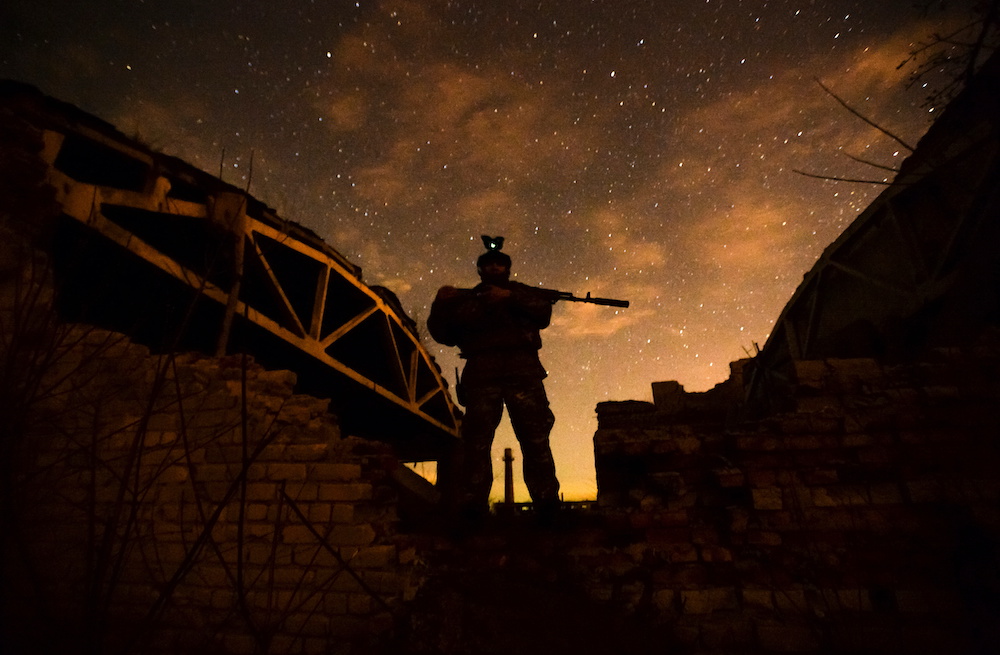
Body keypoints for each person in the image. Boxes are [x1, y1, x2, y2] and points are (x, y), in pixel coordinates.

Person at [428, 238, 560, 523]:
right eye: (489, 265)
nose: (495, 268)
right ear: (480, 270)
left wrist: (510, 298)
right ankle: (474, 508)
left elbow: (543, 313)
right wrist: (439, 304)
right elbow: (444, 334)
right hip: (482, 374)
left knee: (535, 439)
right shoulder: (466, 299)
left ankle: (547, 506)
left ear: (507, 269)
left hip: (522, 372)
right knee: (477, 443)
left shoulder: (523, 294)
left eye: (500, 264)